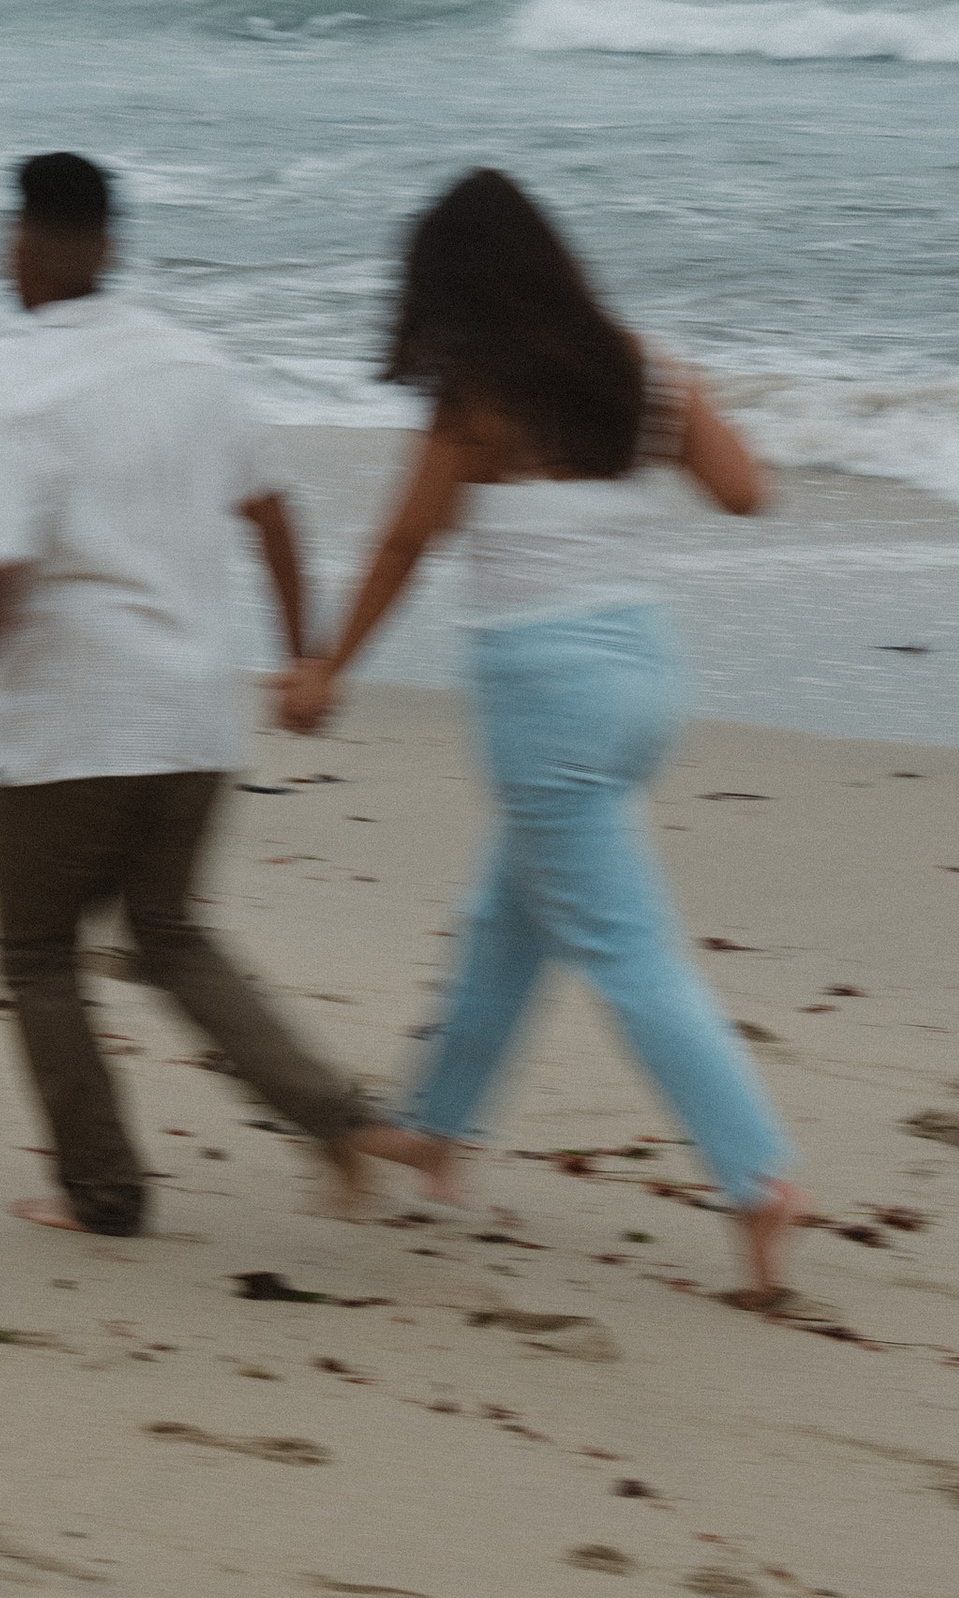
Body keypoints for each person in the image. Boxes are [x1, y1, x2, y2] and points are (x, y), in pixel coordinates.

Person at [278, 168, 803, 1304]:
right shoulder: (644, 364)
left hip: (545, 697)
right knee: (509, 914)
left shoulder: (479, 393)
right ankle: (433, 1130)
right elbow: (747, 492)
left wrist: (326, 664)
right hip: (646, 678)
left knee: (626, 952)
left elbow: (405, 544)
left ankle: (758, 1181)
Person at [0, 150, 419, 1236]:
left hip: (73, 728)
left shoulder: (4, 396)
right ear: (111, 244)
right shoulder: (195, 366)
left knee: (39, 956)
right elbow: (273, 509)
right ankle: (336, 1121)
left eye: (12, 234)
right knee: (170, 935)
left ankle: (102, 1190)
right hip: (194, 720)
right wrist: (303, 656)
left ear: (32, 245)